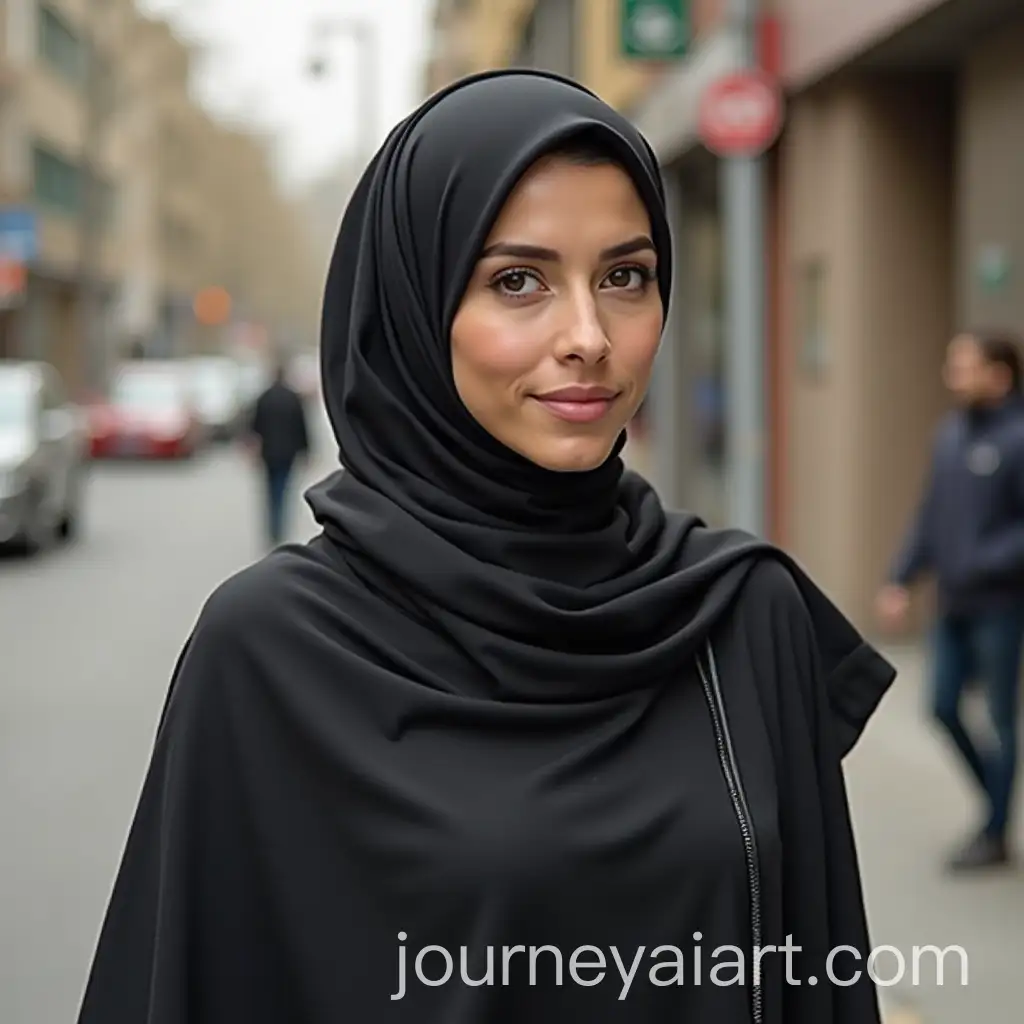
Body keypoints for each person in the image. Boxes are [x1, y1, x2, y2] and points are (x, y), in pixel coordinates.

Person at [77, 70, 895, 1024]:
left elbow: (820, 974)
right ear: (417, 314)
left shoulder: (741, 614)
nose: (589, 336)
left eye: (625, 277)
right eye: (518, 281)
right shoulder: (272, 649)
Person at [877, 329, 1024, 871]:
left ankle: (994, 833)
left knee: (1001, 718)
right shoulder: (951, 435)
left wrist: (983, 560)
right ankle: (996, 805)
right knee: (942, 707)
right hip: (951, 603)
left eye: (965, 366)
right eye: (952, 365)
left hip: (1000, 604)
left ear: (999, 375)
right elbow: (931, 514)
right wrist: (900, 578)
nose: (953, 375)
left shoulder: (1017, 439)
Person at [246, 356, 311, 547]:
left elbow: (255, 426)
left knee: (270, 491)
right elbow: (301, 426)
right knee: (284, 489)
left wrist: (252, 448)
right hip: (288, 453)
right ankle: (280, 527)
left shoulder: (264, 397)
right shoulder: (293, 398)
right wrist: (306, 450)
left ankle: (273, 528)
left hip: (268, 453)